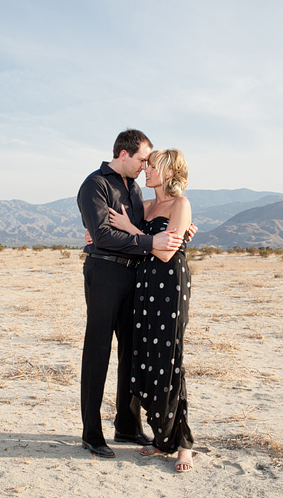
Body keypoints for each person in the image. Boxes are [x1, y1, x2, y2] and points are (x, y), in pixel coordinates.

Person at [77, 129, 185, 459]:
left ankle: (126, 424)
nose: (143, 166)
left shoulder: (135, 189)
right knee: (97, 351)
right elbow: (103, 236)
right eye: (141, 159)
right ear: (124, 155)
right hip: (106, 272)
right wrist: (149, 242)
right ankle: (91, 434)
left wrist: (181, 228)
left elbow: (159, 219)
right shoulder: (95, 185)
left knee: (131, 351)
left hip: (136, 277)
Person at [107, 148, 195, 473]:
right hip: (144, 287)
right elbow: (111, 222)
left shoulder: (180, 204)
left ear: (169, 171)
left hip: (169, 285)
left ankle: (183, 445)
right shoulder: (145, 206)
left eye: (152, 166)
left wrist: (133, 231)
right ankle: (162, 439)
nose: (147, 170)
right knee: (148, 359)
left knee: (171, 360)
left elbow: (165, 254)